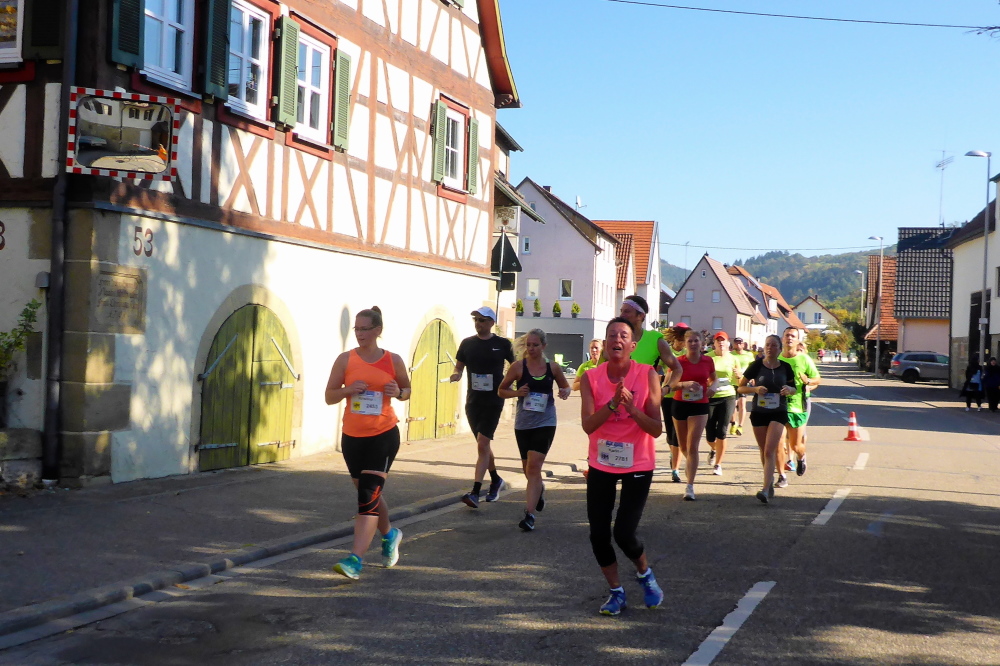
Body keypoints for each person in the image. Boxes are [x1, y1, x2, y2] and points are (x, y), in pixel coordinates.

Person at [580, 318, 664, 615]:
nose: (617, 339)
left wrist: (631, 408)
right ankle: (616, 592)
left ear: (632, 345)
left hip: (637, 461)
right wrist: (613, 405)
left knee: (624, 534)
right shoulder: (591, 377)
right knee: (598, 535)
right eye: (612, 335)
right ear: (605, 344)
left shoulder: (647, 374)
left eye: (623, 335)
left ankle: (645, 574)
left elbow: (656, 429)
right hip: (602, 461)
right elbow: (588, 426)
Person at [325, 306, 410, 580]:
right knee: (368, 494)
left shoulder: (392, 360)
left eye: (364, 329)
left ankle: (355, 560)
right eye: (357, 329)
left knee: (367, 496)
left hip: (383, 435)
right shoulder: (345, 360)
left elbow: (406, 390)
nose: (359, 334)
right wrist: (349, 390)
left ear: (377, 330)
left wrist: (398, 392)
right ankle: (390, 535)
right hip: (352, 437)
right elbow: (329, 396)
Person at [498, 329, 571, 531]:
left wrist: (564, 392)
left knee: (533, 468)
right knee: (528, 470)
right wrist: (516, 393)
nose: (531, 348)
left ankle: (529, 515)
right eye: (528, 345)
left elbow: (566, 387)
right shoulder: (518, 367)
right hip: (523, 424)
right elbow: (501, 390)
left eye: (535, 345)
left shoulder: (552, 367)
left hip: (546, 422)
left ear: (543, 346)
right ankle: (539, 488)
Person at [451, 307, 515, 508]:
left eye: (482, 320)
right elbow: (459, 366)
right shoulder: (467, 343)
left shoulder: (503, 344)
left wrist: (510, 384)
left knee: (482, 443)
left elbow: (516, 366)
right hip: (473, 402)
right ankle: (496, 480)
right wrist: (456, 374)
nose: (478, 323)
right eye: (476, 320)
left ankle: (475, 492)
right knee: (483, 445)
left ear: (491, 323)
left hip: (494, 400)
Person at [738, 334, 796, 504]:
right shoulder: (756, 365)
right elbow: (740, 388)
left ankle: (764, 489)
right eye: (767, 345)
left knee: (770, 449)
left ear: (780, 349)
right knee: (764, 450)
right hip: (759, 411)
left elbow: (794, 388)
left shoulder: (785, 367)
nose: (770, 348)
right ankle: (768, 482)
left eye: (774, 345)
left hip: (779, 411)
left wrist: (789, 390)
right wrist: (754, 389)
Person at [672, 329, 717, 501]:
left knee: (692, 446)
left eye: (696, 341)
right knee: (683, 446)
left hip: (700, 405)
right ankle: (691, 465)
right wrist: (685, 384)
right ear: (684, 344)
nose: (693, 344)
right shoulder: (678, 362)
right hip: (680, 404)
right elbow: (670, 385)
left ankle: (689, 486)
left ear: (702, 343)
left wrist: (713, 387)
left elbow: (714, 378)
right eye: (689, 341)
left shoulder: (708, 361)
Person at [775, 328, 820, 487]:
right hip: (778, 407)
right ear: (782, 338)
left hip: (797, 407)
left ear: (797, 340)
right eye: (787, 335)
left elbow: (817, 379)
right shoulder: (777, 358)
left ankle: (801, 457)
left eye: (793, 336)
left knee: (795, 445)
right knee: (779, 442)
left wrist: (808, 381)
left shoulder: (804, 359)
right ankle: (782, 476)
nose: (789, 338)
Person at [704, 331, 741, 475]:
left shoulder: (733, 358)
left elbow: (740, 381)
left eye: (723, 340)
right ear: (714, 343)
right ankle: (714, 449)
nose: (721, 343)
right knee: (710, 433)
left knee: (722, 430)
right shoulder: (707, 357)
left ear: (727, 343)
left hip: (728, 396)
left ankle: (718, 464)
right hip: (710, 397)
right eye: (718, 340)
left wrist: (739, 376)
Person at [661, 324, 689, 483]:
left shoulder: (687, 353)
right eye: (680, 340)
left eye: (684, 341)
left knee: (678, 434)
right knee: (670, 432)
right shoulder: (666, 352)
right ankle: (673, 452)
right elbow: (657, 369)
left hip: (683, 396)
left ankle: (675, 470)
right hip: (667, 395)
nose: (682, 344)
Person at [728, 337, 755, 436]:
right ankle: (733, 423)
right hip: (733, 382)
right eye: (736, 343)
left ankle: (740, 426)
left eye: (740, 343)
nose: (738, 345)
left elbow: (753, 367)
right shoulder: (730, 355)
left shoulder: (749, 355)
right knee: (733, 404)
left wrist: (753, 377)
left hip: (744, 382)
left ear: (743, 345)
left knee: (742, 403)